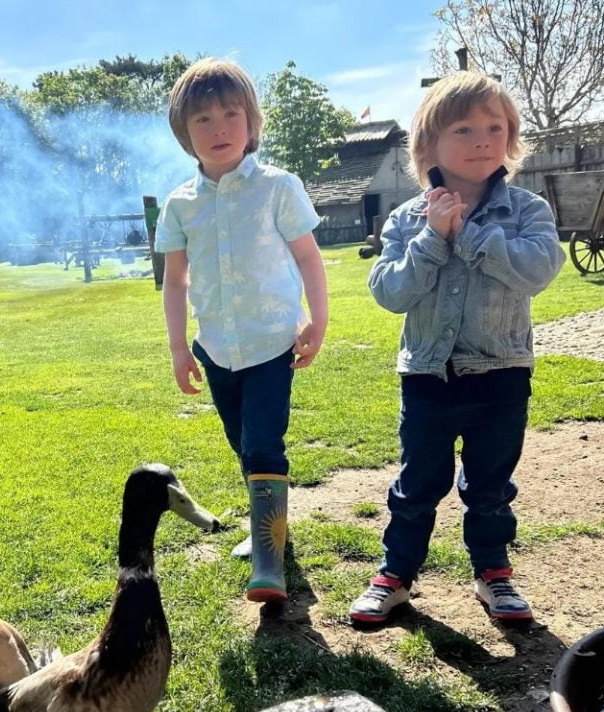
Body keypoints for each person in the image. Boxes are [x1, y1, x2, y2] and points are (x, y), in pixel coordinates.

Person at [349, 71, 564, 624]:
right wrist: (431, 238)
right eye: (464, 129)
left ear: (511, 138)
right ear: (429, 147)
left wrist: (466, 234)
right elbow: (389, 292)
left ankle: (493, 573)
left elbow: (537, 270)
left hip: (501, 373)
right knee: (418, 482)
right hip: (427, 376)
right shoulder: (405, 219)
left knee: (491, 484)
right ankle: (395, 574)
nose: (482, 140)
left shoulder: (528, 211)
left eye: (495, 127)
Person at [156, 58, 328, 603]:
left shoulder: (279, 188)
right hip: (216, 350)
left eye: (231, 114)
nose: (219, 127)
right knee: (241, 442)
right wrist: (181, 348)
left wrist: (318, 321)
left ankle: (269, 563)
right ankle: (267, 529)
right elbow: (175, 282)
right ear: (185, 133)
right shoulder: (179, 203)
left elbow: (308, 257)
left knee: (261, 441)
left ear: (252, 123)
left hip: (272, 342)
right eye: (203, 119)